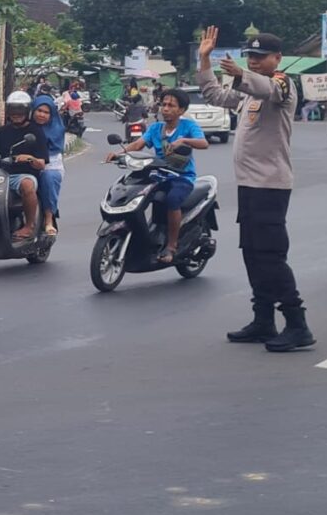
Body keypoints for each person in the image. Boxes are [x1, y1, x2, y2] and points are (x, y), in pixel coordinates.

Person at [198, 26, 314, 352]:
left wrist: (242, 73)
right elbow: (214, 95)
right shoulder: (248, 92)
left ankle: (297, 323)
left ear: (278, 58)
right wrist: (205, 60)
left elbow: (266, 87)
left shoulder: (282, 85)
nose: (255, 61)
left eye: (261, 57)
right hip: (249, 185)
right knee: (252, 253)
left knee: (271, 256)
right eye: (251, 56)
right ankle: (263, 319)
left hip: (270, 186)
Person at [106, 89, 208, 262]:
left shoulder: (188, 126)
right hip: (159, 175)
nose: (166, 108)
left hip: (182, 177)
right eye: (164, 104)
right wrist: (117, 154)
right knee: (137, 194)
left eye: (171, 105)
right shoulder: (155, 128)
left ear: (181, 110)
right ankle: (146, 236)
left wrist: (184, 141)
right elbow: (138, 144)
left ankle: (171, 247)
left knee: (172, 200)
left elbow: (203, 143)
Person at [0, 91, 49, 240]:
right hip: (1, 175)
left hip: (23, 175)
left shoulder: (35, 132)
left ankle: (29, 226)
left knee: (27, 185)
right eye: (13, 111)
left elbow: (41, 164)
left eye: (20, 111)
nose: (16, 114)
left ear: (27, 111)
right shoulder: (1, 132)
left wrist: (30, 158)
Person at [32, 93, 66, 237]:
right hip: (25, 167)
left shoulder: (56, 130)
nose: (42, 115)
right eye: (39, 111)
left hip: (50, 166)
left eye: (46, 112)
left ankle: (48, 220)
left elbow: (52, 156)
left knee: (48, 177)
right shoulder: (25, 127)